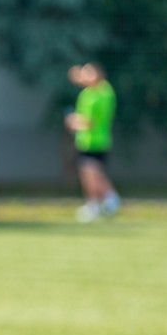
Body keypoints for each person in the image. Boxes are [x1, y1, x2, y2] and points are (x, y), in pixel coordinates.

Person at [66, 62, 120, 222]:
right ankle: (108, 201)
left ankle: (96, 204)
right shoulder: (106, 90)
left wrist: (72, 121)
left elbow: (88, 122)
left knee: (90, 174)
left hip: (91, 141)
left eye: (89, 72)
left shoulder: (92, 95)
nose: (85, 75)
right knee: (96, 174)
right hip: (97, 140)